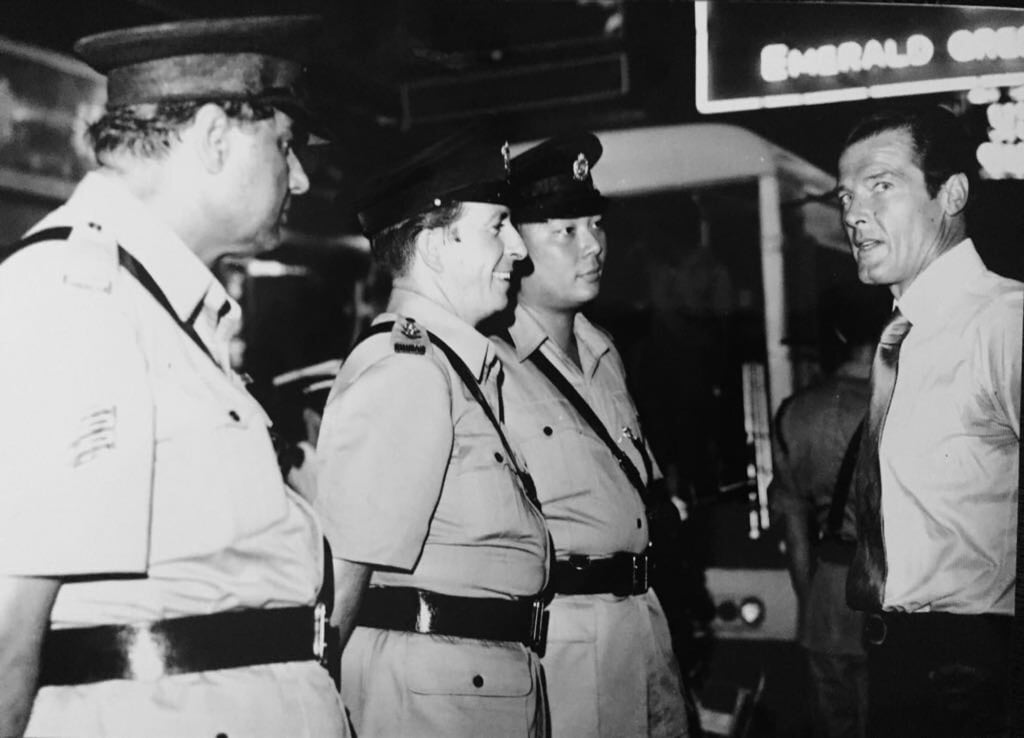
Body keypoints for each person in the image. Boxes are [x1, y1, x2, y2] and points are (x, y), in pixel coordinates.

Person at [0, 16, 349, 737]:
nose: (304, 177)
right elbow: (6, 625)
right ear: (217, 135)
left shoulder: (156, 308)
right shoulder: (76, 298)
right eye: (286, 145)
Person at [314, 128, 551, 737]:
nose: (519, 249)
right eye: (497, 224)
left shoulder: (451, 367)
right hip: (435, 705)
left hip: (470, 692)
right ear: (435, 243)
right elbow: (342, 579)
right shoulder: (409, 373)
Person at [491, 132, 695, 737]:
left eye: (595, 225)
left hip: (642, 626)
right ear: (514, 244)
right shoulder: (490, 364)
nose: (594, 246)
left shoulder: (603, 351)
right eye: (566, 232)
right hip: (565, 645)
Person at [836, 105, 1023, 737]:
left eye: (881, 186)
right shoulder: (903, 338)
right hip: (901, 660)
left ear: (953, 193)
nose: (855, 214)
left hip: (978, 672)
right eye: (846, 195)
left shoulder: (1004, 322)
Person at [769, 286, 888, 738]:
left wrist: (815, 603)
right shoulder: (904, 407)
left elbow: (797, 536)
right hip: (896, 599)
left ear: (837, 334)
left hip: (827, 599)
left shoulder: (795, 413)